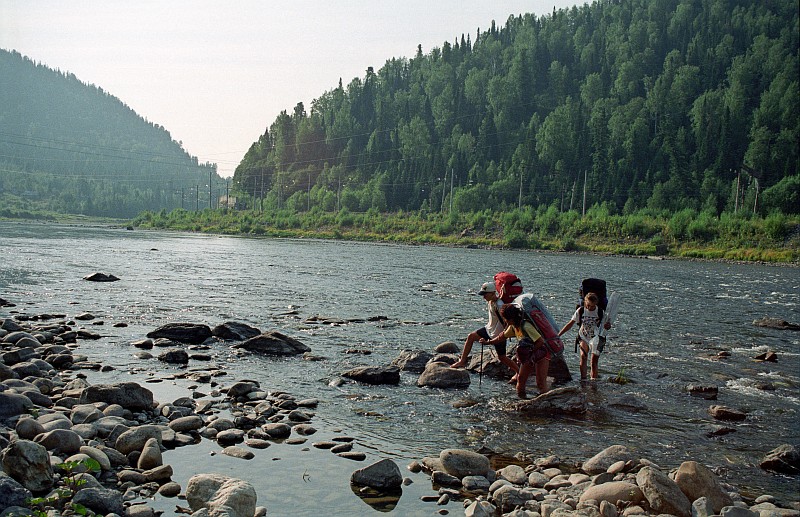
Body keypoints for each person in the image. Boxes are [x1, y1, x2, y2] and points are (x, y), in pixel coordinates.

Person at [451, 282, 519, 381]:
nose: (483, 297)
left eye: (485, 294)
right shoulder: (492, 300)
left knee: (502, 357)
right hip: (489, 329)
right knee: (471, 337)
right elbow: (500, 294)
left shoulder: (500, 305)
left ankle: (518, 372)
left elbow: (507, 322)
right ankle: (462, 361)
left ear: (492, 293)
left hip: (498, 334)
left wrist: (504, 334)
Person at [482, 303, 549, 399]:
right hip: (529, 356)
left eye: (506, 319)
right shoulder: (513, 327)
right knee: (521, 380)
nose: (505, 321)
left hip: (541, 354)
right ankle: (523, 401)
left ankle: (544, 402)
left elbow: (540, 341)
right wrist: (488, 342)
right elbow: (502, 337)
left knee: (540, 383)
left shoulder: (526, 326)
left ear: (512, 318)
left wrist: (531, 352)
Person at [558, 292, 610, 380]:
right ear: (585, 302)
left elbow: (606, 327)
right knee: (583, 356)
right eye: (588, 305)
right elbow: (570, 324)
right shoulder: (580, 311)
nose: (590, 308)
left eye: (592, 306)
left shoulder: (600, 312)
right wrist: (558, 335)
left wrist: (607, 326)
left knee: (594, 361)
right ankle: (583, 380)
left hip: (596, 337)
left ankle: (594, 381)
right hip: (583, 336)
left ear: (596, 304)